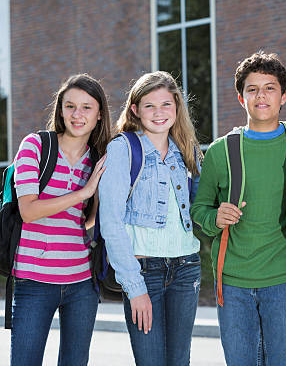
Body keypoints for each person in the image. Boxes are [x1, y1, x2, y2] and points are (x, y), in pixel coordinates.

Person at [190, 52, 286, 366]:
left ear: (283, 96)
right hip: (233, 283)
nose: (261, 95)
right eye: (252, 89)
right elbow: (199, 209)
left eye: (269, 88)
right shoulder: (220, 151)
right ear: (241, 98)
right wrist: (214, 217)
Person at [98, 71, 203, 366]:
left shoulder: (187, 149)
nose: (159, 113)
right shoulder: (123, 148)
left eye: (166, 105)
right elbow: (111, 222)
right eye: (149, 106)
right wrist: (134, 285)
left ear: (177, 107)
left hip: (186, 267)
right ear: (135, 110)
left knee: (179, 360)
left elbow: (198, 207)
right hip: (145, 271)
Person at [10, 74, 111, 365]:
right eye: (70, 106)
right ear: (61, 110)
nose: (77, 115)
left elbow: (86, 223)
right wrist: (85, 191)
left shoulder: (97, 159)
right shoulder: (36, 146)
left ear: (99, 114)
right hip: (34, 280)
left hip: (81, 282)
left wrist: (99, 198)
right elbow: (29, 210)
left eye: (86, 107)